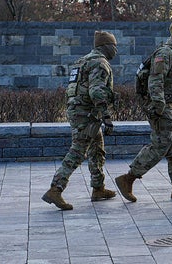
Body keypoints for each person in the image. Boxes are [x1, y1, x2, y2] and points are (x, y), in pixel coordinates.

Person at [115, 18, 172, 202]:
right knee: (160, 146)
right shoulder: (165, 53)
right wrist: (159, 108)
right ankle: (128, 178)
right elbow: (156, 81)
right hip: (165, 109)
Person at [42, 30, 119, 210]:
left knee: (97, 149)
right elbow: (96, 92)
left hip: (80, 111)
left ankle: (98, 187)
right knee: (78, 151)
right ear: (106, 47)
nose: (116, 51)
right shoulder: (100, 63)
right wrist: (106, 117)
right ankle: (55, 189)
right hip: (87, 114)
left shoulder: (82, 61)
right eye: (114, 46)